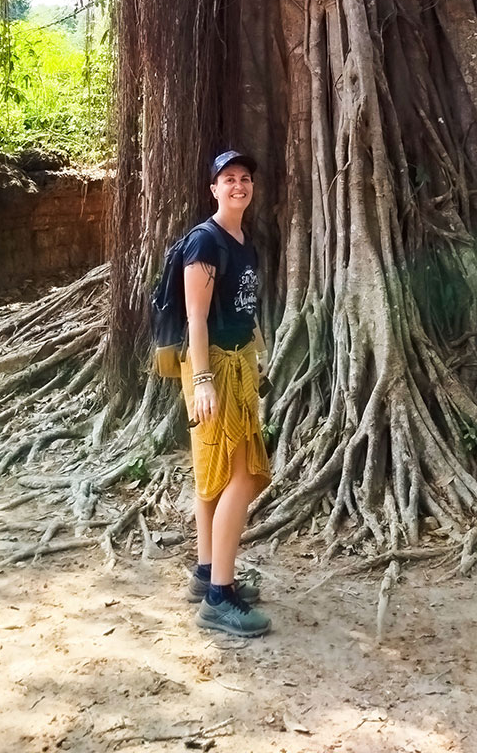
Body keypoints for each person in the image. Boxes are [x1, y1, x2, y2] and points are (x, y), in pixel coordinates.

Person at [181, 149, 272, 636]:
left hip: (239, 365)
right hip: (212, 368)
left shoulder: (242, 241)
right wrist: (202, 381)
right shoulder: (206, 242)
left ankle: (204, 572)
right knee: (243, 475)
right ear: (213, 189)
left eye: (245, 178)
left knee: (215, 474)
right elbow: (196, 315)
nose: (239, 185)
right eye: (228, 179)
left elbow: (244, 311)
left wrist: (257, 359)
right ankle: (220, 596)